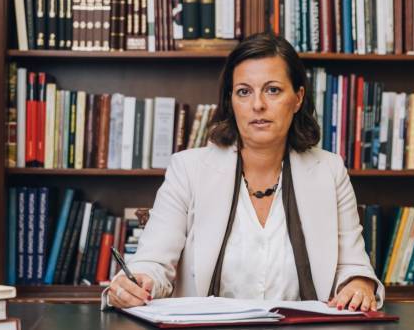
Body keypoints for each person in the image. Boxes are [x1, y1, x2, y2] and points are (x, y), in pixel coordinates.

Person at [104, 33, 384, 312]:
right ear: (231, 101)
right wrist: (138, 282)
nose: (258, 105)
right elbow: (153, 261)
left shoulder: (330, 171)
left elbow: (354, 265)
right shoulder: (188, 170)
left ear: (298, 98)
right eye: (244, 92)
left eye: (272, 90)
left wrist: (359, 284)